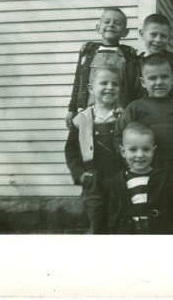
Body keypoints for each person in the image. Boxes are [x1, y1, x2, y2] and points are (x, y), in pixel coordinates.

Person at [64, 64, 125, 234]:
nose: (110, 88)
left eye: (115, 84)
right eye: (104, 83)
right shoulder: (81, 118)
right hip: (93, 178)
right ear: (91, 88)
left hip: (118, 176)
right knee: (96, 220)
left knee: (118, 218)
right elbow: (71, 150)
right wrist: (79, 173)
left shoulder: (124, 116)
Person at [115, 54, 173, 174]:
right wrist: (129, 162)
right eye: (152, 78)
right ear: (143, 82)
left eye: (164, 77)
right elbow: (119, 136)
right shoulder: (135, 108)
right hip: (142, 169)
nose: (159, 82)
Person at [65, 7, 138, 128]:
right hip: (90, 110)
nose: (111, 25)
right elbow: (79, 80)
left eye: (117, 23)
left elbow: (133, 85)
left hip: (118, 111)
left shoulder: (128, 53)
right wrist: (72, 108)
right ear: (98, 28)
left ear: (125, 32)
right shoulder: (88, 50)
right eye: (107, 21)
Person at [108, 122, 173, 234]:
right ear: (123, 152)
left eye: (146, 149)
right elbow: (113, 215)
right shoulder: (118, 181)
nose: (140, 155)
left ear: (153, 151)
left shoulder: (165, 179)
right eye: (133, 150)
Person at [126, 13, 173, 121]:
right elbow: (127, 98)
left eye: (163, 36)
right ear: (142, 34)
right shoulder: (133, 65)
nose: (158, 40)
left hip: (172, 120)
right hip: (142, 122)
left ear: (169, 38)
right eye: (153, 35)